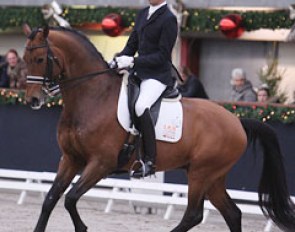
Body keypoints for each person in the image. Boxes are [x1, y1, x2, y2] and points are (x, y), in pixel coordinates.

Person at [113, 0, 178, 177]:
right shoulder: (142, 14)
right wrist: (119, 59)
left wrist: (134, 61)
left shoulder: (168, 19)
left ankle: (150, 161)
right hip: (139, 72)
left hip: (157, 75)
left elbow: (163, 56)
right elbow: (132, 44)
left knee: (141, 106)